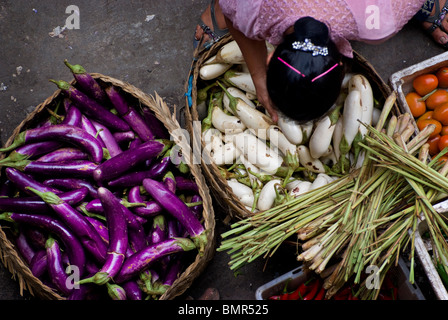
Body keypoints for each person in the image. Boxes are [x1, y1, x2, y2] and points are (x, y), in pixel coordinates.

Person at [194, 0, 448, 123]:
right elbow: (237, 18)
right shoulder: (378, 20)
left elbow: (241, 19)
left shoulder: (379, 18)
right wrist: (259, 78)